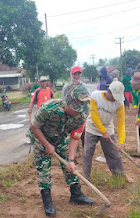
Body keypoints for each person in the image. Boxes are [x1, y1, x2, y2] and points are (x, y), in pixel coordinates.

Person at [28, 84, 94, 216]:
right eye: (76, 108)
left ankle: (76, 195)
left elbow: (75, 137)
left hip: (60, 139)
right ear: (68, 102)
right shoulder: (49, 108)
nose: (78, 111)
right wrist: (47, 145)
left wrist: (70, 159)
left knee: (71, 167)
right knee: (44, 170)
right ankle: (47, 201)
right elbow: (34, 127)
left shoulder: (82, 114)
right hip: (41, 138)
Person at [83, 81, 131, 181]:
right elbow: (95, 116)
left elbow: (121, 124)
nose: (115, 99)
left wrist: (121, 141)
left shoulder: (119, 103)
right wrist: (103, 132)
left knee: (113, 153)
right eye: (114, 96)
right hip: (92, 127)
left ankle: (120, 176)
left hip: (108, 128)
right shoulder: (95, 96)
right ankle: (86, 177)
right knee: (87, 152)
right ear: (109, 91)